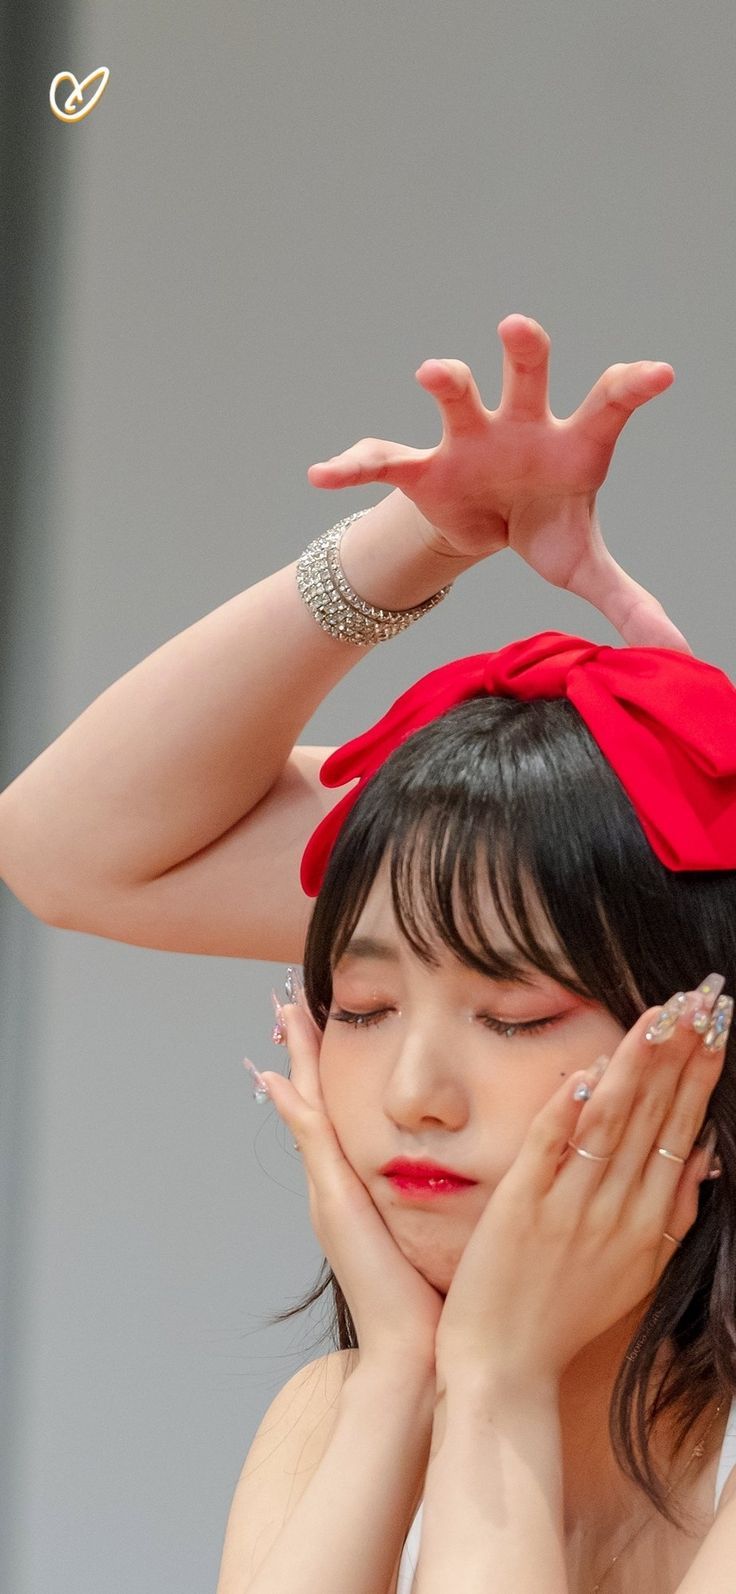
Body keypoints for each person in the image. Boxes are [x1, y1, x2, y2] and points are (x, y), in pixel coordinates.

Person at [0, 315, 734, 1593]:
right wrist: (428, 537)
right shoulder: (341, 1409)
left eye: (511, 1014)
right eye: (362, 1002)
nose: (411, 1093)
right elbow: (59, 847)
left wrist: (495, 1389)